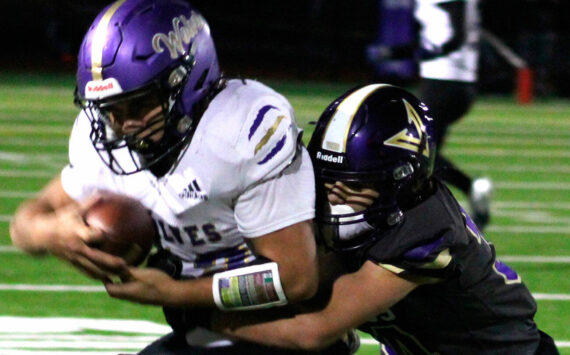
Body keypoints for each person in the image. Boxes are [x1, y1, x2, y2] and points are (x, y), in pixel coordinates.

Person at [9, 0, 353, 354]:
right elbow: (23, 225)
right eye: (111, 110)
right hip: (203, 330)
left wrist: (175, 293)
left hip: (284, 329)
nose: (124, 125)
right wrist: (51, 233)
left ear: (187, 82)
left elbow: (295, 278)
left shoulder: (240, 130)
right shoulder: (103, 140)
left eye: (139, 104)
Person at [211, 84, 560, 355]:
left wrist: (213, 313)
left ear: (401, 181)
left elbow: (315, 329)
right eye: (327, 181)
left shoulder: (424, 229)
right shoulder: (347, 207)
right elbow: (301, 283)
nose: (333, 199)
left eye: (354, 187)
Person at [367, 0, 492, 231]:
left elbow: (458, 34)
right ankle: (442, 212)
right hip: (446, 82)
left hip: (447, 83)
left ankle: (462, 192)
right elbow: (434, 37)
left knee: (412, 150)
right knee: (425, 159)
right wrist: (396, 52)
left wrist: (434, 52)